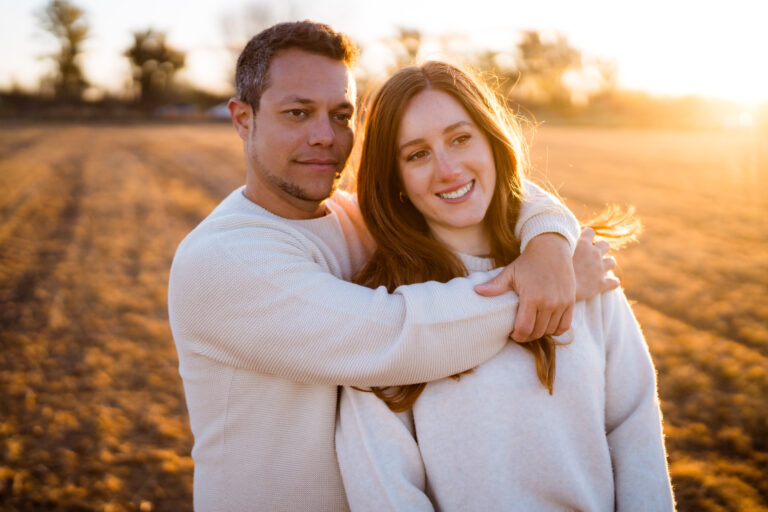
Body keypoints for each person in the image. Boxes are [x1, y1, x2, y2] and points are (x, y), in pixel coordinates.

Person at [168, 21, 616, 511]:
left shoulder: (351, 217)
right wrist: (544, 290)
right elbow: (397, 338)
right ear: (242, 119)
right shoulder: (223, 260)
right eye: (298, 113)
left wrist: (548, 243)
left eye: (341, 115)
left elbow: (484, 186)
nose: (325, 136)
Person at [335, 61, 674, 511]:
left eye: (460, 138)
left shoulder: (575, 270)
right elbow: (383, 486)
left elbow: (635, 430)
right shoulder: (384, 314)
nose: (448, 170)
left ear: (492, 141)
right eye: (417, 155)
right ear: (394, 177)